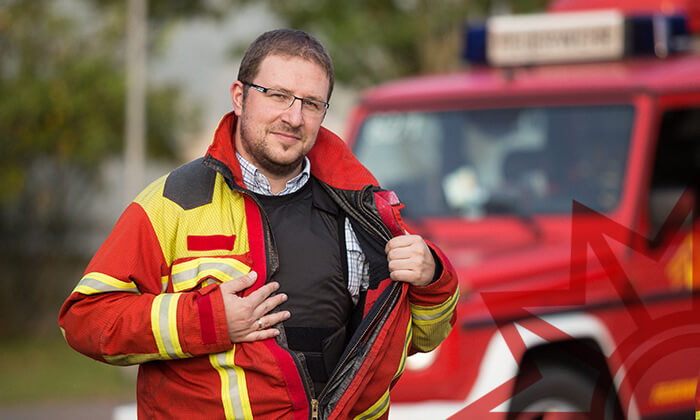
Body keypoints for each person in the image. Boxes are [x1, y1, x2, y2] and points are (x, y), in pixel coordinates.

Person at [59, 28, 458, 420]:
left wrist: (432, 280)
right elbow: (86, 320)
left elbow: (420, 339)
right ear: (239, 97)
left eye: (312, 103)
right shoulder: (173, 202)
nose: (294, 116)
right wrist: (208, 321)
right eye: (278, 95)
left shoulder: (361, 212)